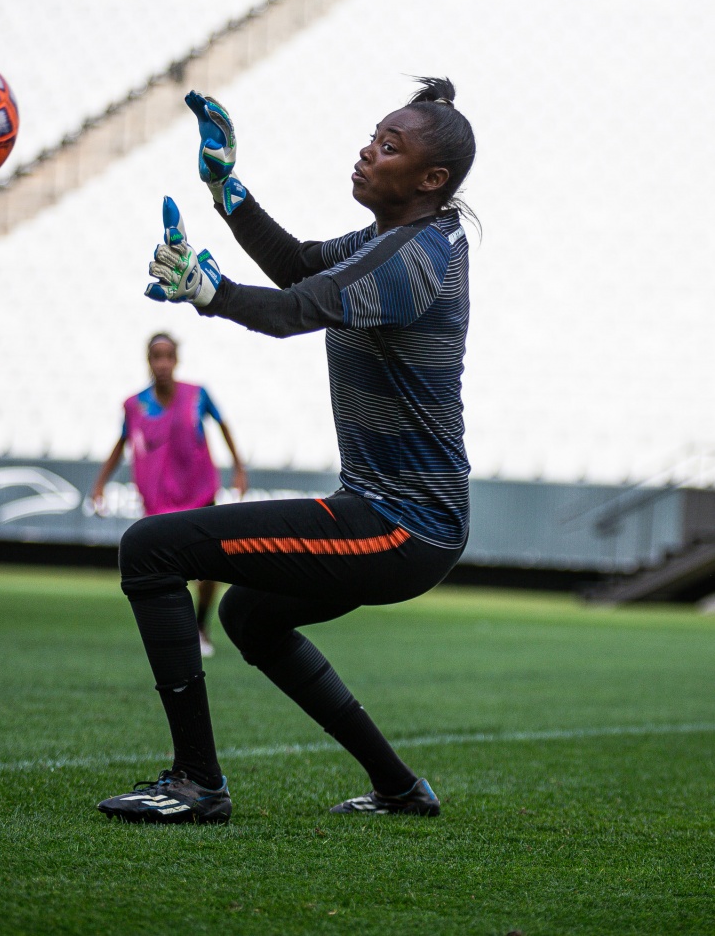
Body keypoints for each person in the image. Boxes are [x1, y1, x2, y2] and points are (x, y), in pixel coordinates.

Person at [97, 76, 476, 824]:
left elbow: (292, 310)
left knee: (149, 548)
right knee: (250, 617)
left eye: (388, 146)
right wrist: (225, 187)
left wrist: (209, 291)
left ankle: (196, 784)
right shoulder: (402, 239)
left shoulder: (413, 258)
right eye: (373, 137)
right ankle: (400, 789)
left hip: (400, 524)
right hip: (401, 517)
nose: (367, 153)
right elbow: (301, 267)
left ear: (431, 180)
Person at [91, 332, 248, 656]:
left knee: (211, 569)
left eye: (168, 356)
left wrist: (238, 468)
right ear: (148, 361)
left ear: (176, 360)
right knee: (166, 572)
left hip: (199, 492)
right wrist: (100, 483)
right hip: (159, 499)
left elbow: (223, 424)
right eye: (156, 356)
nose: (162, 363)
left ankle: (201, 627)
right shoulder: (135, 404)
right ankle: (178, 633)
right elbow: (122, 443)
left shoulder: (197, 395)